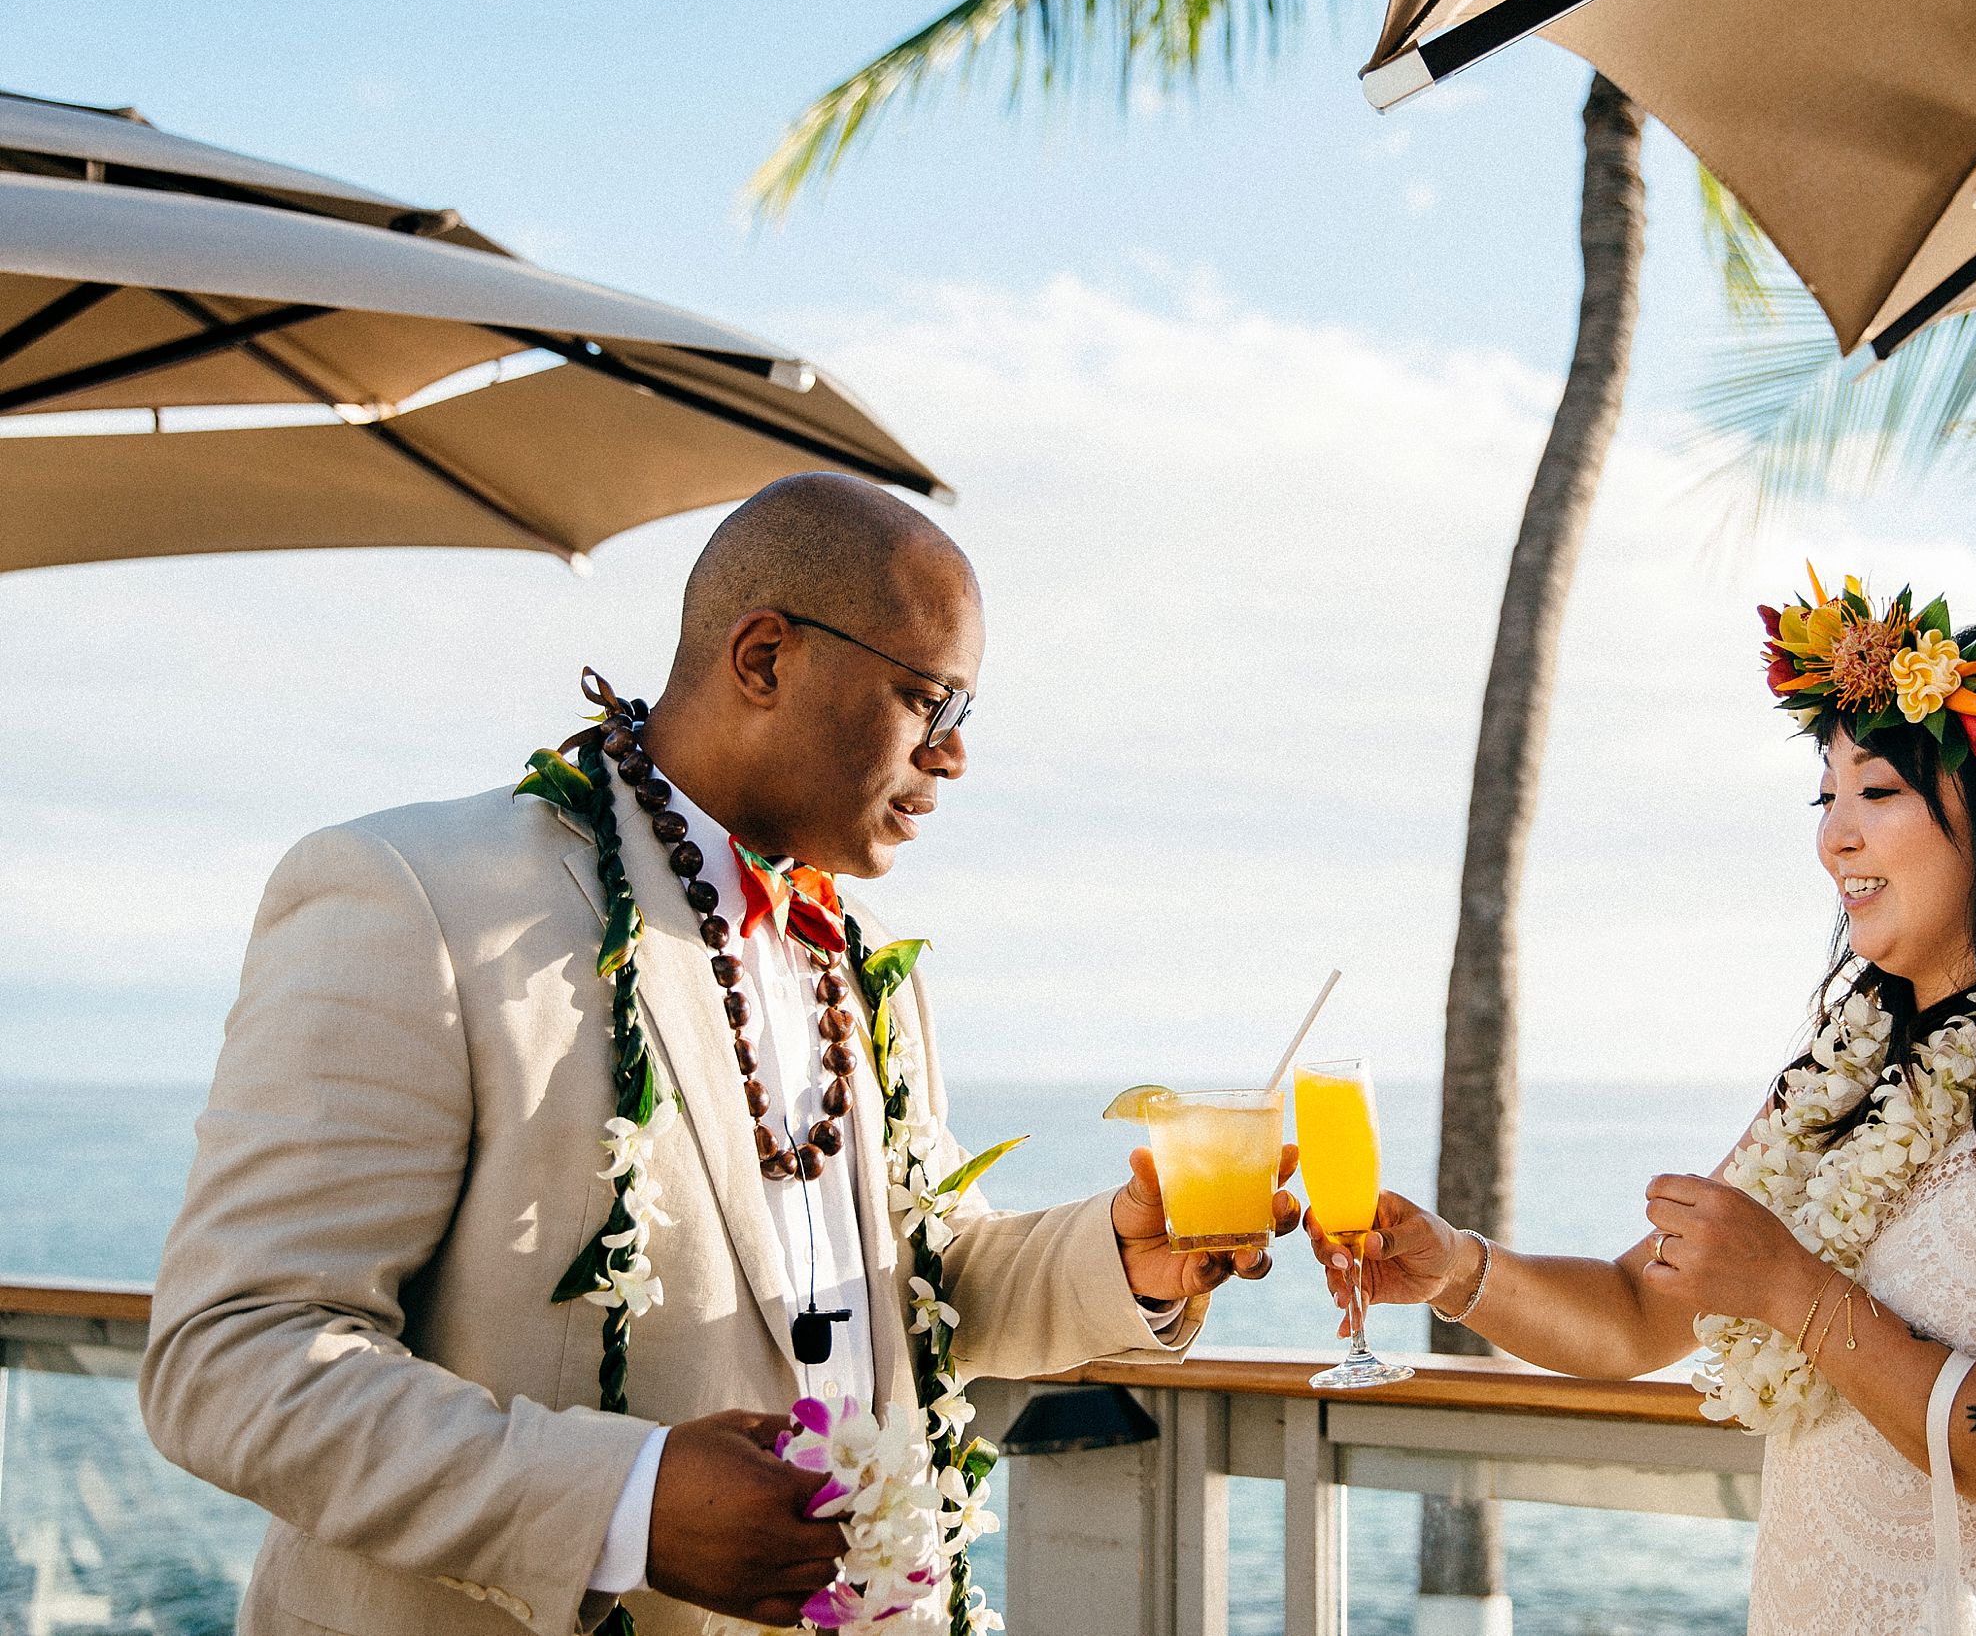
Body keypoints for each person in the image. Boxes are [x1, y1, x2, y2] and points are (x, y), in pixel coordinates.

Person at [141, 473, 1299, 1636]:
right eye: (926, 699)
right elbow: (233, 1354)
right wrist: (625, 1503)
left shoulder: (860, 952)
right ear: (764, 659)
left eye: (964, 717)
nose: (951, 759)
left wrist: (1128, 1256)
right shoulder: (417, 896)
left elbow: (922, 1287)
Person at [1313, 574, 1976, 1634]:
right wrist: (1455, 1267)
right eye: (1825, 795)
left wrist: (1797, 1295)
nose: (1833, 837)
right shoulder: (1848, 1074)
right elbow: (1632, 1313)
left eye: (1878, 791)